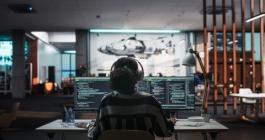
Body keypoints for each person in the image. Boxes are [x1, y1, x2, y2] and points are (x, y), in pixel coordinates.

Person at [92, 57, 175, 140]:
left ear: (113, 76)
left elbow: (96, 135)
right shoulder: (150, 101)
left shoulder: (106, 102)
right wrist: (171, 122)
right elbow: (164, 132)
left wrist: (90, 127)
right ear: (139, 76)